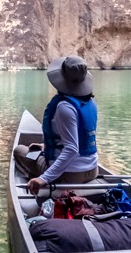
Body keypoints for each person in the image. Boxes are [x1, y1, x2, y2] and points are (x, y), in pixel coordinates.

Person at [15, 55, 100, 193]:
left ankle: (36, 183)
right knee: (37, 152)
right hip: (92, 169)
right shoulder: (91, 102)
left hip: (71, 175)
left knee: (19, 151)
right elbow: (81, 137)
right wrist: (45, 146)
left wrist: (44, 178)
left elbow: (72, 148)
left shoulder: (64, 107)